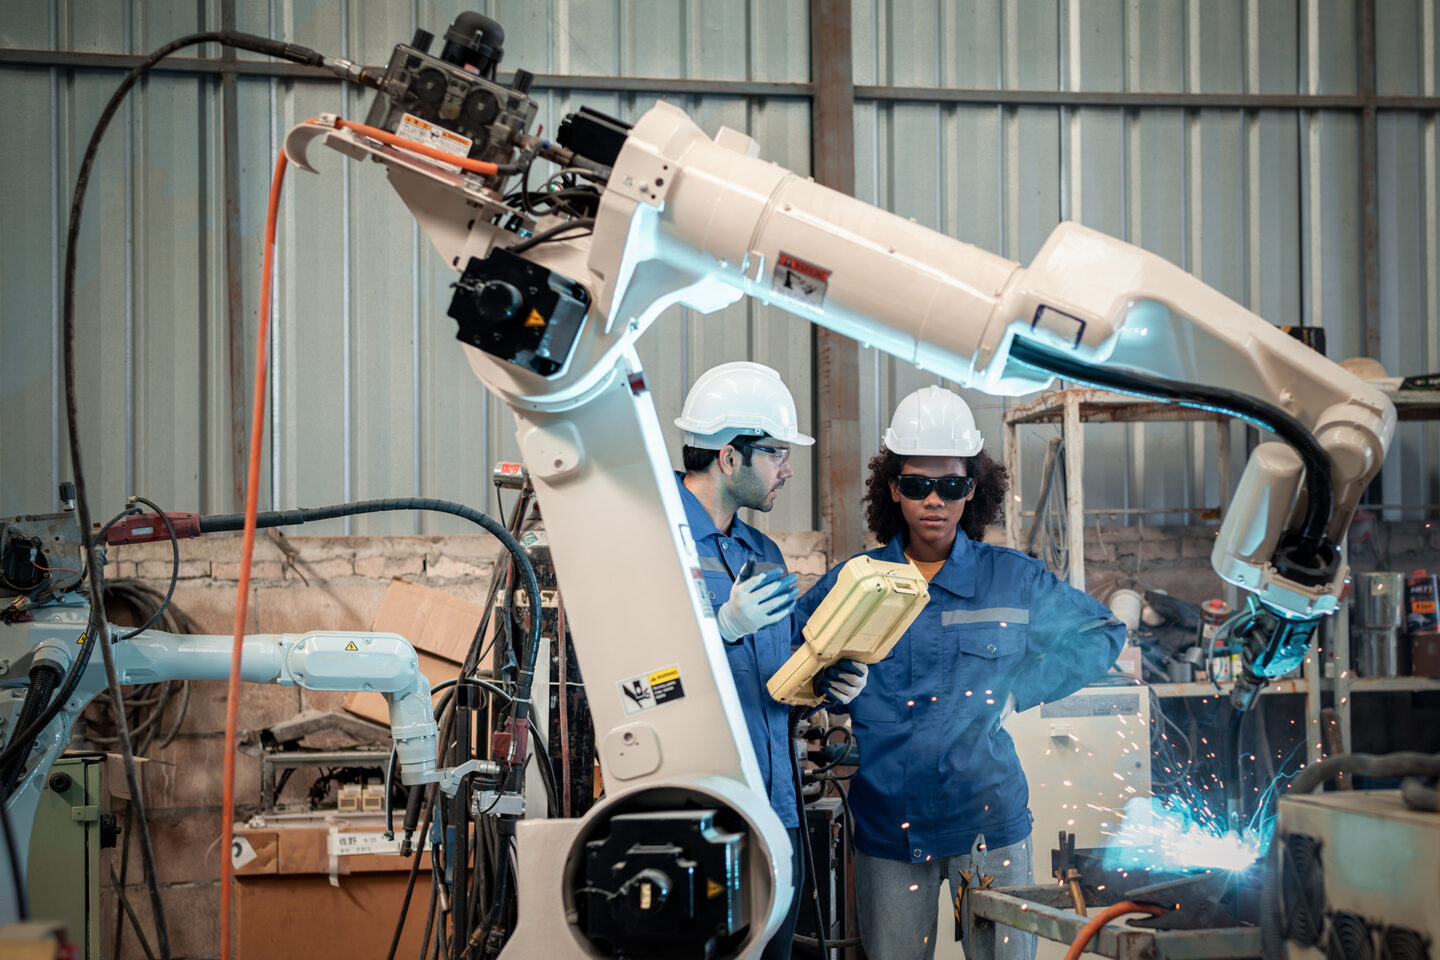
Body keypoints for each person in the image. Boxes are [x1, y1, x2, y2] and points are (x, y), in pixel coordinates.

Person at [791, 385, 1125, 960]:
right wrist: (826, 684)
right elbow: (787, 664)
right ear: (894, 487)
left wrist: (1021, 690)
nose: (934, 502)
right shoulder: (852, 584)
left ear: (973, 488)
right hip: (889, 832)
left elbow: (1102, 635)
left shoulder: (1012, 580)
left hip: (988, 827)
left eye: (951, 486)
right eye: (918, 485)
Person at [673, 361, 863, 959]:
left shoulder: (765, 553)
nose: (787, 469)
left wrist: (825, 682)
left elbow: (775, 679)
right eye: (776, 453)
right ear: (730, 458)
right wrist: (721, 627)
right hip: (698, 815)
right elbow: (642, 681)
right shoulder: (659, 540)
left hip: (778, 810)